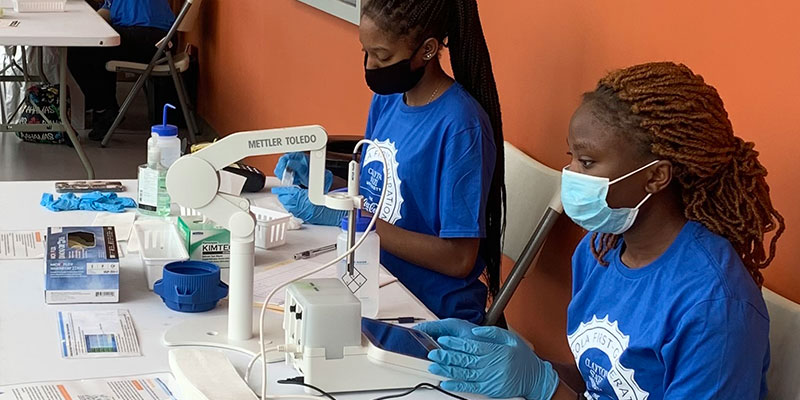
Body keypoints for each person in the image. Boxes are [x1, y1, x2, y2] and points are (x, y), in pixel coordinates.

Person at [416, 62, 785, 400]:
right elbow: (603, 383)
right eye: (571, 157)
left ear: (656, 176)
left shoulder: (714, 305)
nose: (572, 175)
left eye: (588, 162)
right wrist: (516, 362)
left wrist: (544, 388)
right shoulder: (598, 251)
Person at [272, 0, 505, 324]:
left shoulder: (461, 127)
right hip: (375, 280)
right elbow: (380, 196)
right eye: (364, 52)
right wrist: (327, 187)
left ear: (427, 49)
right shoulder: (388, 99)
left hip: (430, 310)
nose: (370, 65)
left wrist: (354, 220)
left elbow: (459, 258)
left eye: (382, 56)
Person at [68, 0, 175, 141]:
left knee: (81, 50)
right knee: (92, 45)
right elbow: (107, 11)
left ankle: (104, 109)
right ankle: (104, 109)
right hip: (150, 35)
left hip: (155, 39)